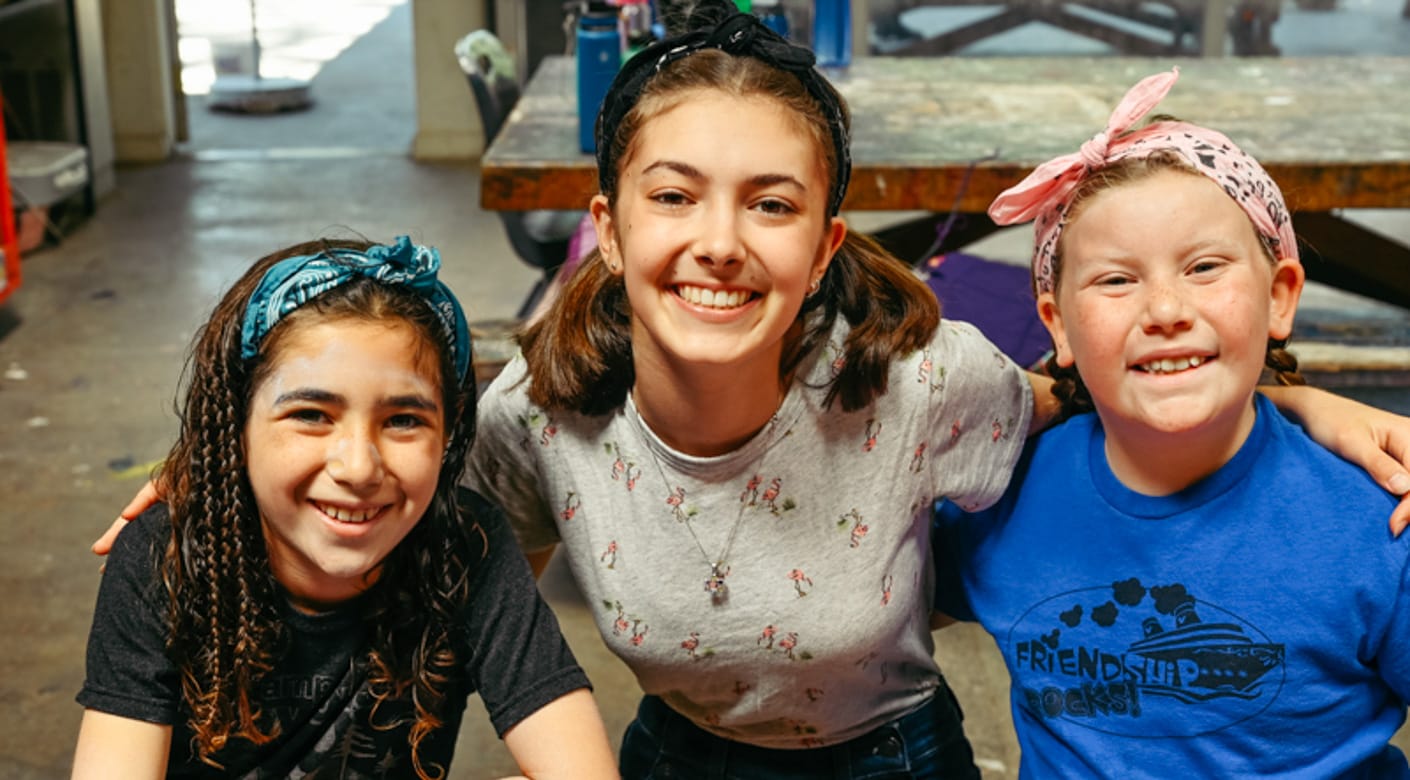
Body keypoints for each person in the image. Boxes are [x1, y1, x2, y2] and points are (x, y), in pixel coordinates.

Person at [97, 4, 1410, 776]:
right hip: (678, 756)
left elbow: (1121, 395)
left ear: (825, 241)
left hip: (895, 755)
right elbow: (383, 504)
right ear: (604, 224)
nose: (718, 239)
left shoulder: (927, 385)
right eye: (673, 197)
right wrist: (214, 479)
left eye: (769, 204)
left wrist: (1301, 405)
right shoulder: (532, 421)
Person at [932, 69, 1410, 777]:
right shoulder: (998, 491)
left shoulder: (1380, 520)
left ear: (1280, 297)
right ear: (1057, 325)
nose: (1164, 310)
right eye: (1116, 280)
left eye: (1205, 267)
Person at [72, 237, 618, 779]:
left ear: (449, 435)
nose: (358, 468)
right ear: (235, 426)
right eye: (311, 414)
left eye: (404, 420)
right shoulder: (162, 557)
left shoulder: (465, 544)